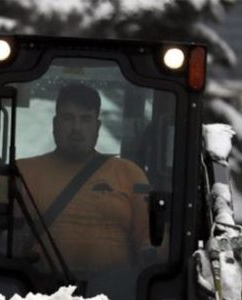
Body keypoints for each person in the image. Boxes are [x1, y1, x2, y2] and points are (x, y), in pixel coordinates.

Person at [17, 82, 151, 275]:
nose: (76, 128)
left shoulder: (129, 175)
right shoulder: (22, 173)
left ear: (97, 126)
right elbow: (1, 240)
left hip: (117, 297)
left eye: (86, 119)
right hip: (35, 292)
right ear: (55, 124)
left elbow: (149, 243)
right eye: (68, 118)